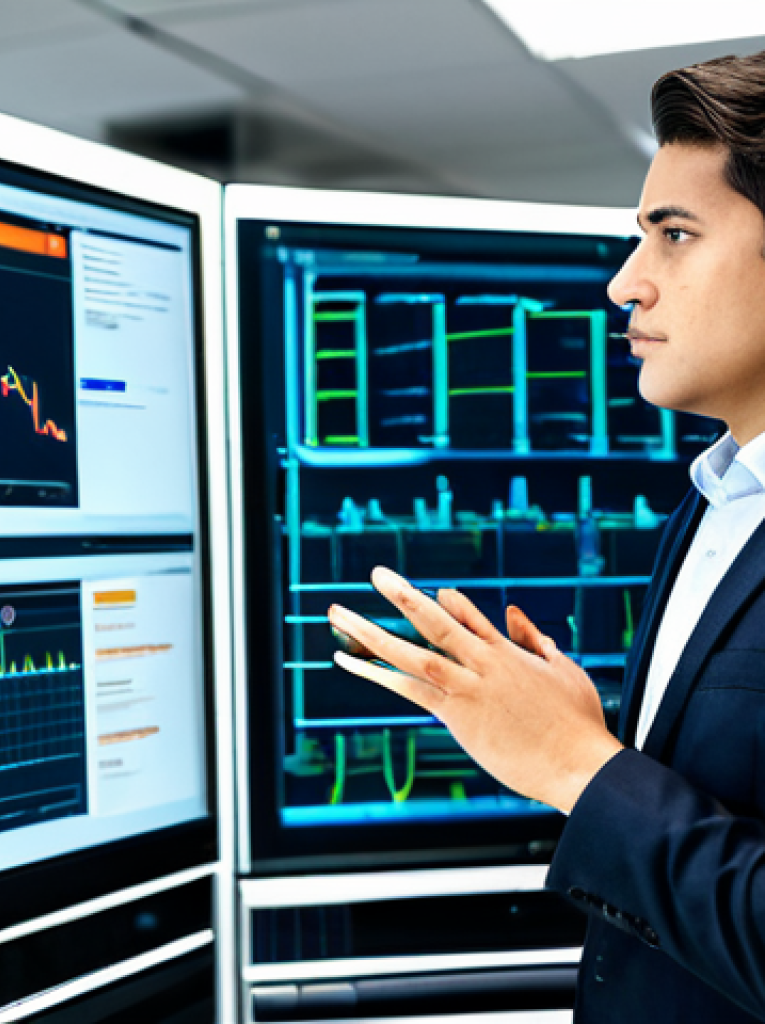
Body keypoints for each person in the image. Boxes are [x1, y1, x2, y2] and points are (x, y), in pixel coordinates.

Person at [329, 50, 765, 1023]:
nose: (624, 284)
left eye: (675, 235)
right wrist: (592, 740)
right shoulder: (716, 496)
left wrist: (577, 764)